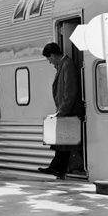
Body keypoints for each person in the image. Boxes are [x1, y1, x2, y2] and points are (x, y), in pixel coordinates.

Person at [39, 42, 84, 179]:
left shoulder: (67, 65)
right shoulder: (63, 65)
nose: (49, 62)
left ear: (53, 55)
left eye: (49, 59)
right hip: (66, 111)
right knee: (64, 143)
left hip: (70, 111)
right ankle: (57, 168)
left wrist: (62, 111)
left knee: (67, 142)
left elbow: (70, 91)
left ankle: (56, 168)